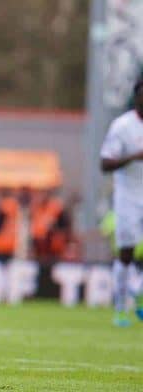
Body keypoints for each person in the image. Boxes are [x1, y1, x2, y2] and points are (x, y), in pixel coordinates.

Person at [100, 78, 143, 327]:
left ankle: (139, 296)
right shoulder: (122, 126)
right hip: (128, 197)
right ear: (136, 98)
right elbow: (105, 163)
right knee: (126, 253)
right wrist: (135, 156)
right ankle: (120, 306)